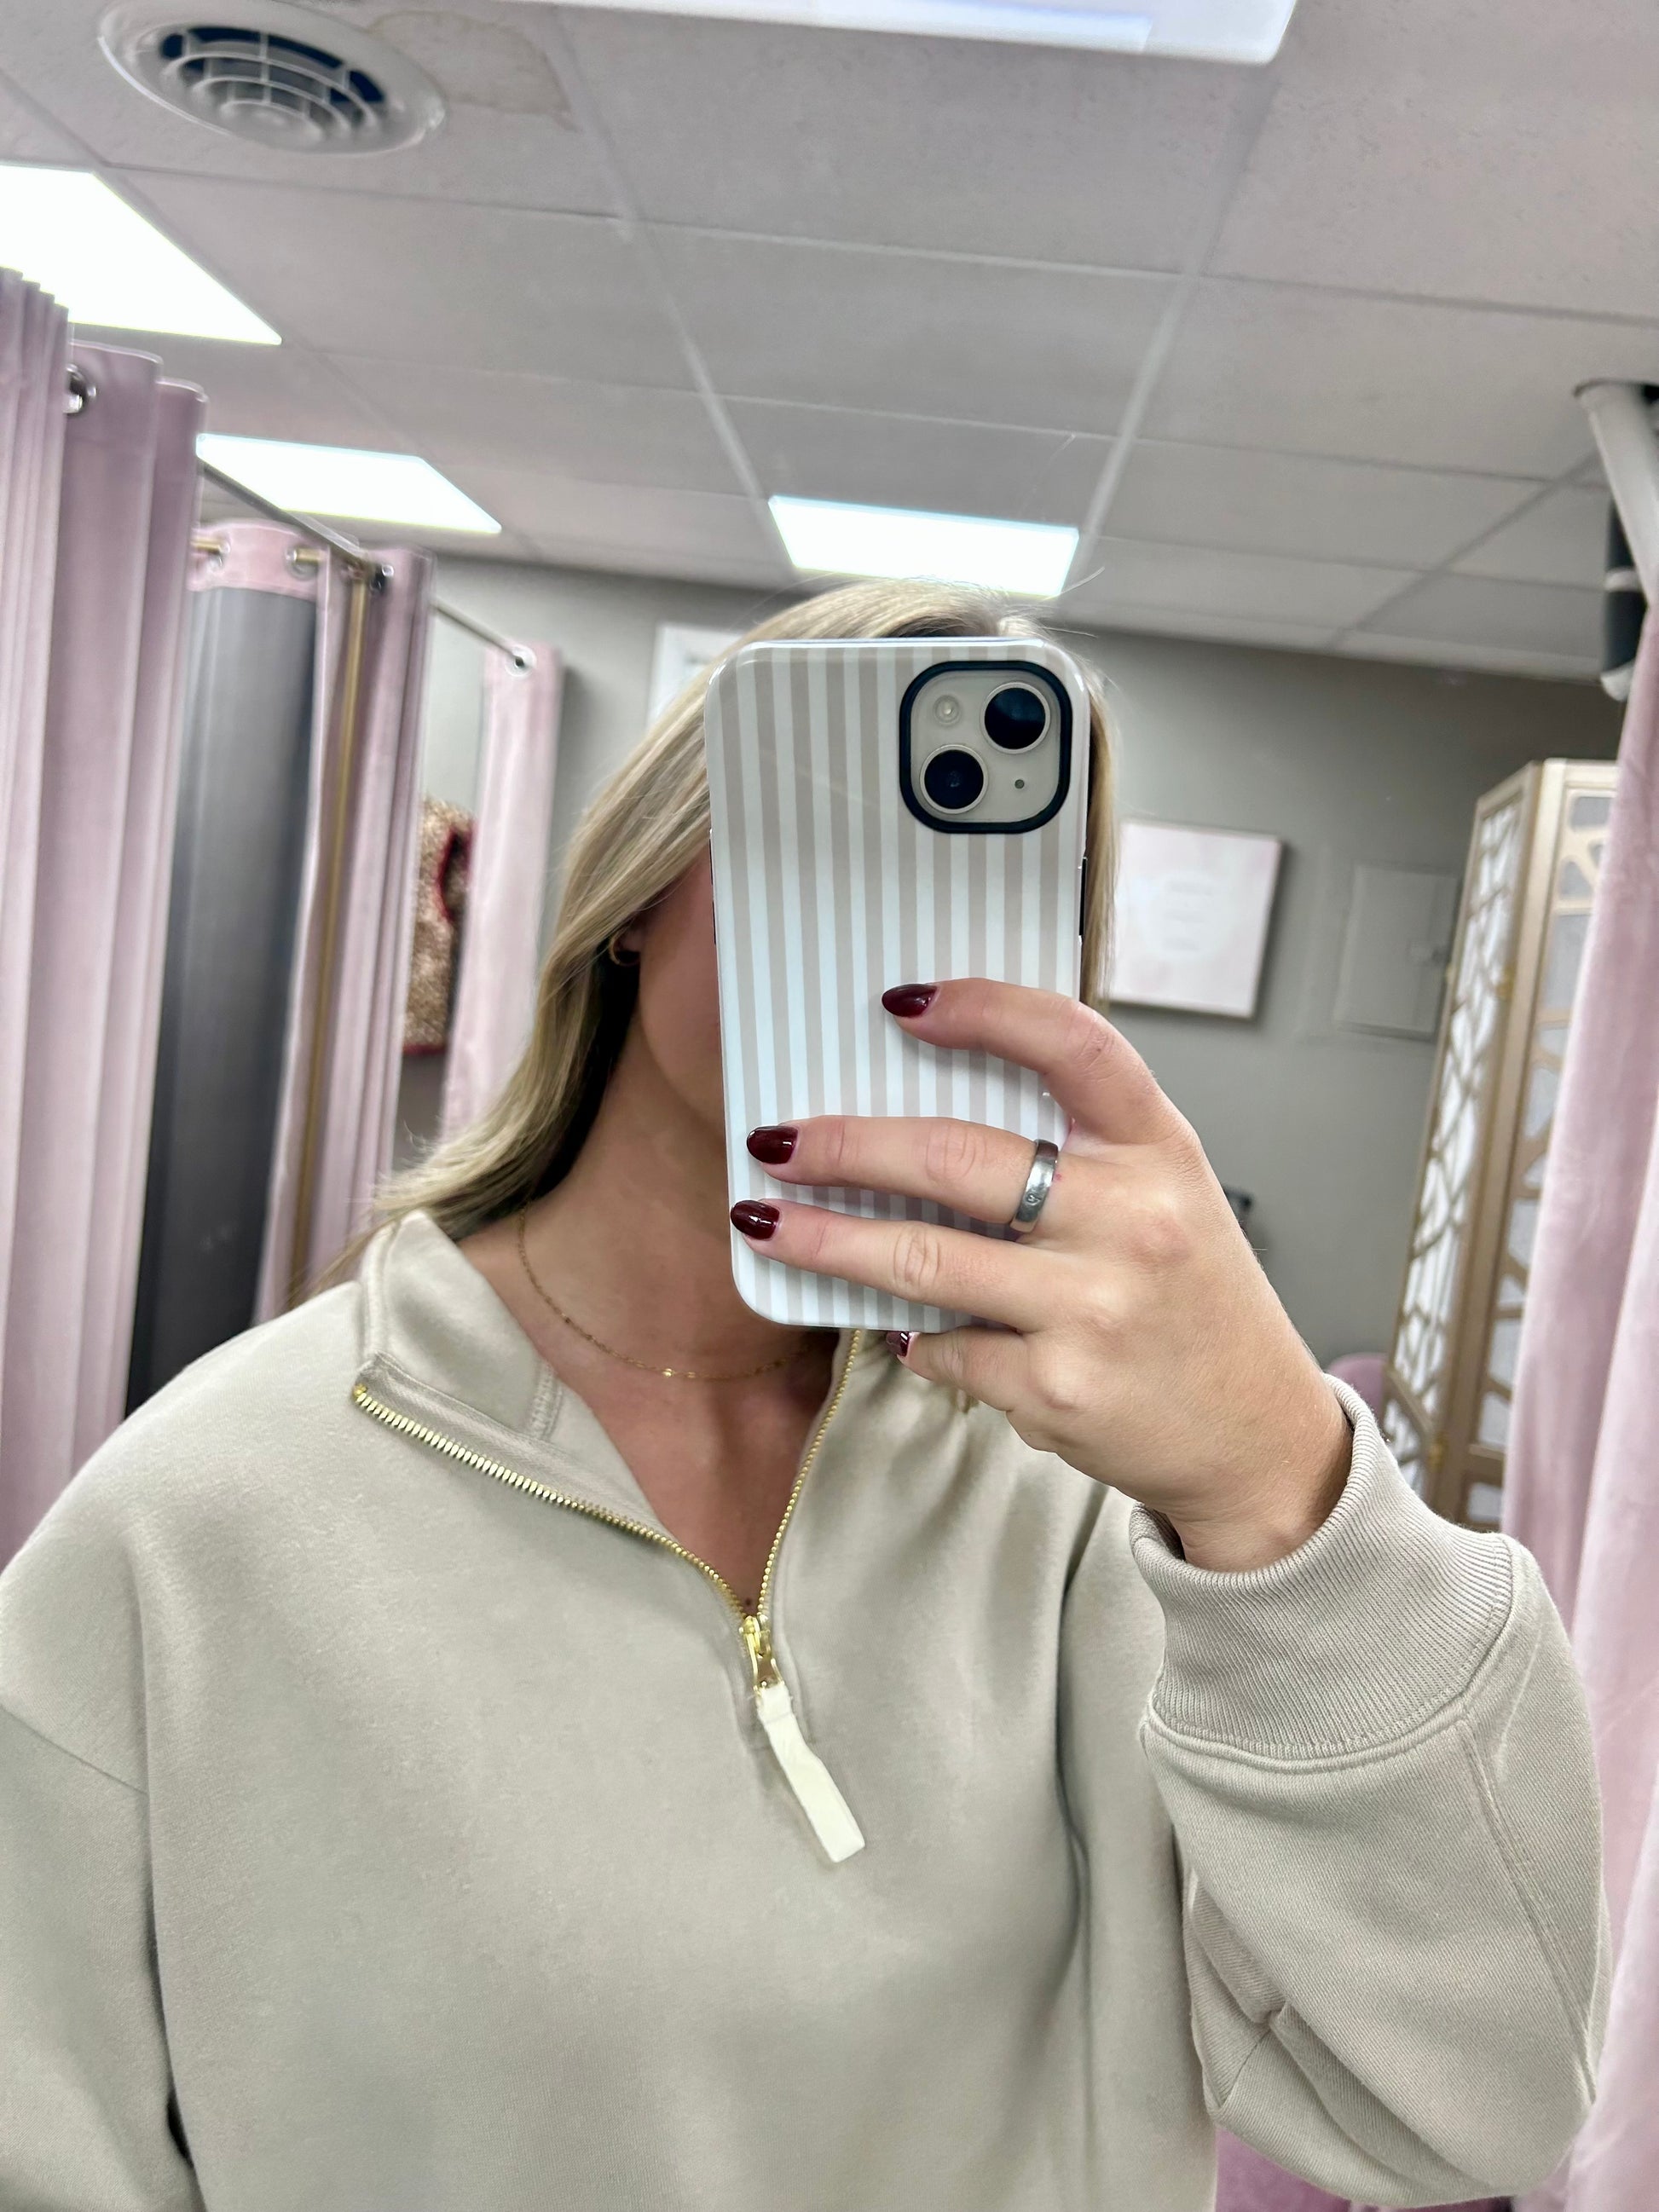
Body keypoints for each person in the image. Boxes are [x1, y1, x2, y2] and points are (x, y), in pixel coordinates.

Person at [0, 583, 1605, 2212]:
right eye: (824, 828)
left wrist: (1276, 1483)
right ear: (638, 889)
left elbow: (1464, 2111)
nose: (902, 926)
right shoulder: (198, 1519)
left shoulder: (1099, 1504)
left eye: (983, 874)